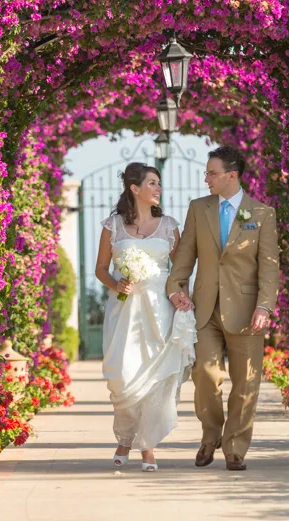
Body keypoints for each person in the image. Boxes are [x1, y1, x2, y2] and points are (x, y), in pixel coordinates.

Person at [166, 146, 279, 471]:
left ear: (232, 175)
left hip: (247, 312)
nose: (206, 179)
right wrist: (176, 288)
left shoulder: (261, 214)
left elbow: (269, 267)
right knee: (205, 374)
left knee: (246, 384)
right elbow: (185, 254)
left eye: (212, 173)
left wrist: (264, 307)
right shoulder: (198, 208)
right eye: (206, 173)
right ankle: (210, 436)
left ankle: (235, 448)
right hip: (204, 310)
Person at [95, 162, 197, 472]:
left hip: (160, 310)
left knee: (155, 379)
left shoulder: (169, 225)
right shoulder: (112, 226)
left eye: (159, 183)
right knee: (124, 374)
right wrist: (117, 283)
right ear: (134, 188)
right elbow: (101, 269)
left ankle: (146, 446)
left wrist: (179, 294)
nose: (158, 188)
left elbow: (178, 272)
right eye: (152, 183)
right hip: (124, 308)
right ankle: (125, 438)